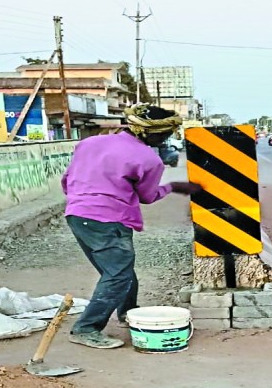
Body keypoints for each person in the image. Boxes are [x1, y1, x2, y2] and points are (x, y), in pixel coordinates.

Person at [61, 106, 200, 349]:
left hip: (76, 214)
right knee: (118, 274)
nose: (167, 137)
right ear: (154, 133)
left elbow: (67, 179)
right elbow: (147, 196)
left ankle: (128, 313)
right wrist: (173, 187)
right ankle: (86, 328)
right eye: (166, 133)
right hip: (108, 219)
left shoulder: (90, 143)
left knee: (119, 269)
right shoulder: (149, 159)